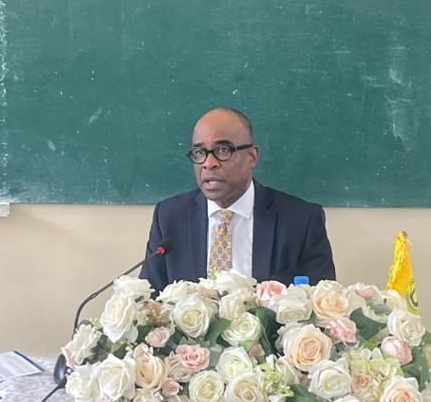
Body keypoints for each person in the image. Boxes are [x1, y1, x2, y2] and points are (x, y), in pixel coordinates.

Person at [141, 107, 336, 292]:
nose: (209, 163)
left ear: (252, 156)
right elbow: (149, 302)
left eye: (223, 150)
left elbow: (319, 305)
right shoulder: (169, 218)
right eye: (200, 153)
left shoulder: (301, 221)